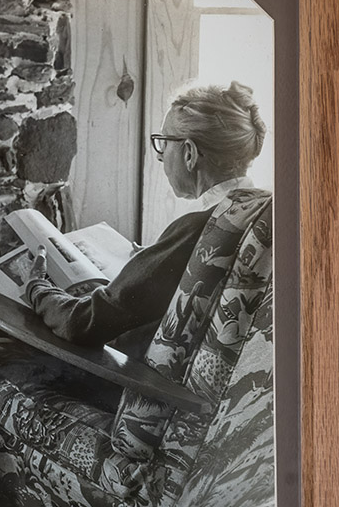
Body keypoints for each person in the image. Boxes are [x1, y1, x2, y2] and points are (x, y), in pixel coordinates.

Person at [24, 80, 268, 347]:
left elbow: (82, 323)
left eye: (164, 142)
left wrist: (38, 288)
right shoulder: (258, 211)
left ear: (189, 153)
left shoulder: (198, 227)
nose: (160, 157)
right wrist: (150, 261)